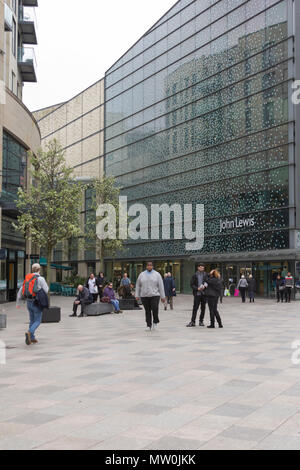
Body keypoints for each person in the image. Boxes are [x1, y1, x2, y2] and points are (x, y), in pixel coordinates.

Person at [16, 263, 49, 345]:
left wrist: (18, 303)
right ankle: (30, 332)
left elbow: (20, 291)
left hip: (28, 302)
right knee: (38, 320)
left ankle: (32, 338)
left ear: (32, 269)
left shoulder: (28, 278)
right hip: (36, 302)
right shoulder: (40, 279)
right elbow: (46, 290)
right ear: (39, 269)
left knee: (32, 320)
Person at [136, 261, 166, 331]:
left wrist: (163, 296)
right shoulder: (141, 274)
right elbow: (138, 285)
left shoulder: (157, 274)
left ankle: (155, 321)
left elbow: (161, 286)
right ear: (146, 266)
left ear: (152, 266)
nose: (149, 266)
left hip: (155, 295)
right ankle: (148, 325)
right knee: (147, 311)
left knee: (155, 308)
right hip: (144, 296)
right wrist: (137, 295)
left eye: (150, 265)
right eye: (148, 265)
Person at [187, 264, 209, 328]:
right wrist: (197, 288)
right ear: (198, 268)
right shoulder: (195, 275)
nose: (202, 269)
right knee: (195, 308)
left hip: (203, 294)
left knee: (203, 308)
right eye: (201, 267)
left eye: (203, 268)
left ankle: (201, 321)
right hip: (197, 294)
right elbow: (191, 284)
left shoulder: (205, 275)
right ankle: (193, 321)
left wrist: (205, 286)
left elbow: (207, 282)